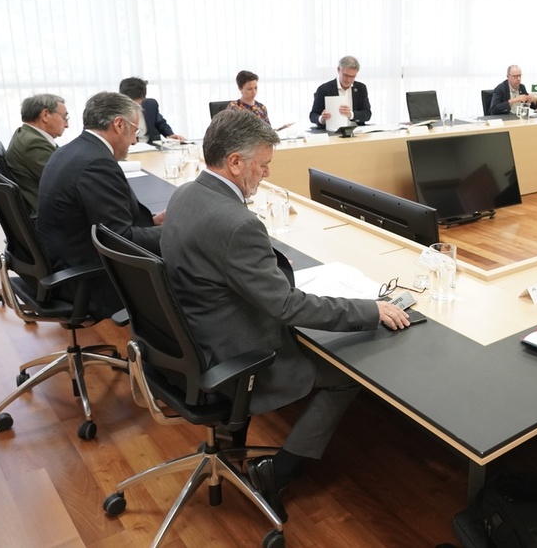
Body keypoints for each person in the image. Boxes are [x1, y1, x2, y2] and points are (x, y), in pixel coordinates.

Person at [160, 109, 410, 521]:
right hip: (231, 356)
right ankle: (279, 470)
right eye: (263, 165)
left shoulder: (185, 194)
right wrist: (370, 310)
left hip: (187, 339)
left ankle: (233, 437)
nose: (267, 175)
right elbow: (286, 306)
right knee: (347, 375)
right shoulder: (238, 223)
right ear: (235, 162)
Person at [36, 92, 163, 318]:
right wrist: (174, 231)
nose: (134, 140)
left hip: (64, 260)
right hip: (90, 278)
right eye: (135, 131)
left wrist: (151, 222)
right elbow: (120, 239)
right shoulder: (97, 163)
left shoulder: (69, 150)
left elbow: (104, 222)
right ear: (118, 124)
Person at [5, 93, 70, 213]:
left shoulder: (25, 134)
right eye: (64, 117)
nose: (67, 125)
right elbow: (66, 183)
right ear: (45, 115)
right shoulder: (33, 143)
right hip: (53, 214)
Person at [309, 56, 373, 129]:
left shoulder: (361, 88)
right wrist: (321, 119)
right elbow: (313, 115)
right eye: (346, 75)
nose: (348, 80)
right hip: (332, 133)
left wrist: (351, 114)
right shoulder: (324, 89)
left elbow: (367, 114)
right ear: (338, 70)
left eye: (352, 76)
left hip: (357, 132)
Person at [118, 77, 186, 143]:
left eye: (137, 104)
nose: (135, 107)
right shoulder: (115, 109)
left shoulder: (150, 105)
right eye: (131, 104)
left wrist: (170, 135)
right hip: (129, 147)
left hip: (151, 145)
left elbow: (160, 123)